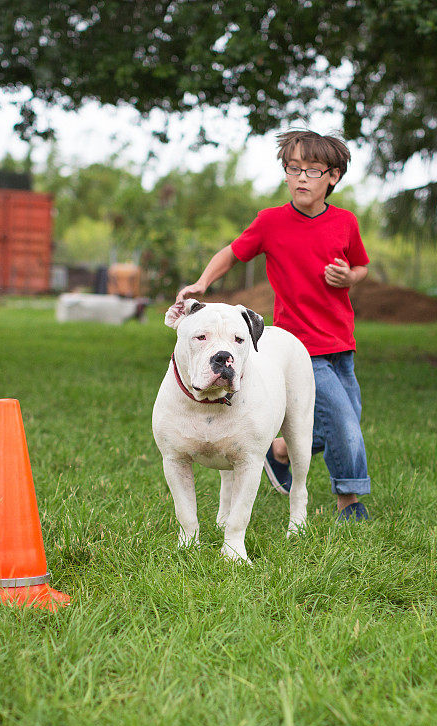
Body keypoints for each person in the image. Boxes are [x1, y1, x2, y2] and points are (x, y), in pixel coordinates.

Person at [176, 130, 371, 521]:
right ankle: (350, 503)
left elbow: (361, 265)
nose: (300, 177)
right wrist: (201, 283)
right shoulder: (271, 222)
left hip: (341, 345)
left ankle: (278, 449)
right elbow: (231, 253)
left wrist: (349, 278)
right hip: (296, 345)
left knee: (332, 419)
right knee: (345, 425)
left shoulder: (345, 223)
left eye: (311, 170)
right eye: (292, 168)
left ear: (332, 176)